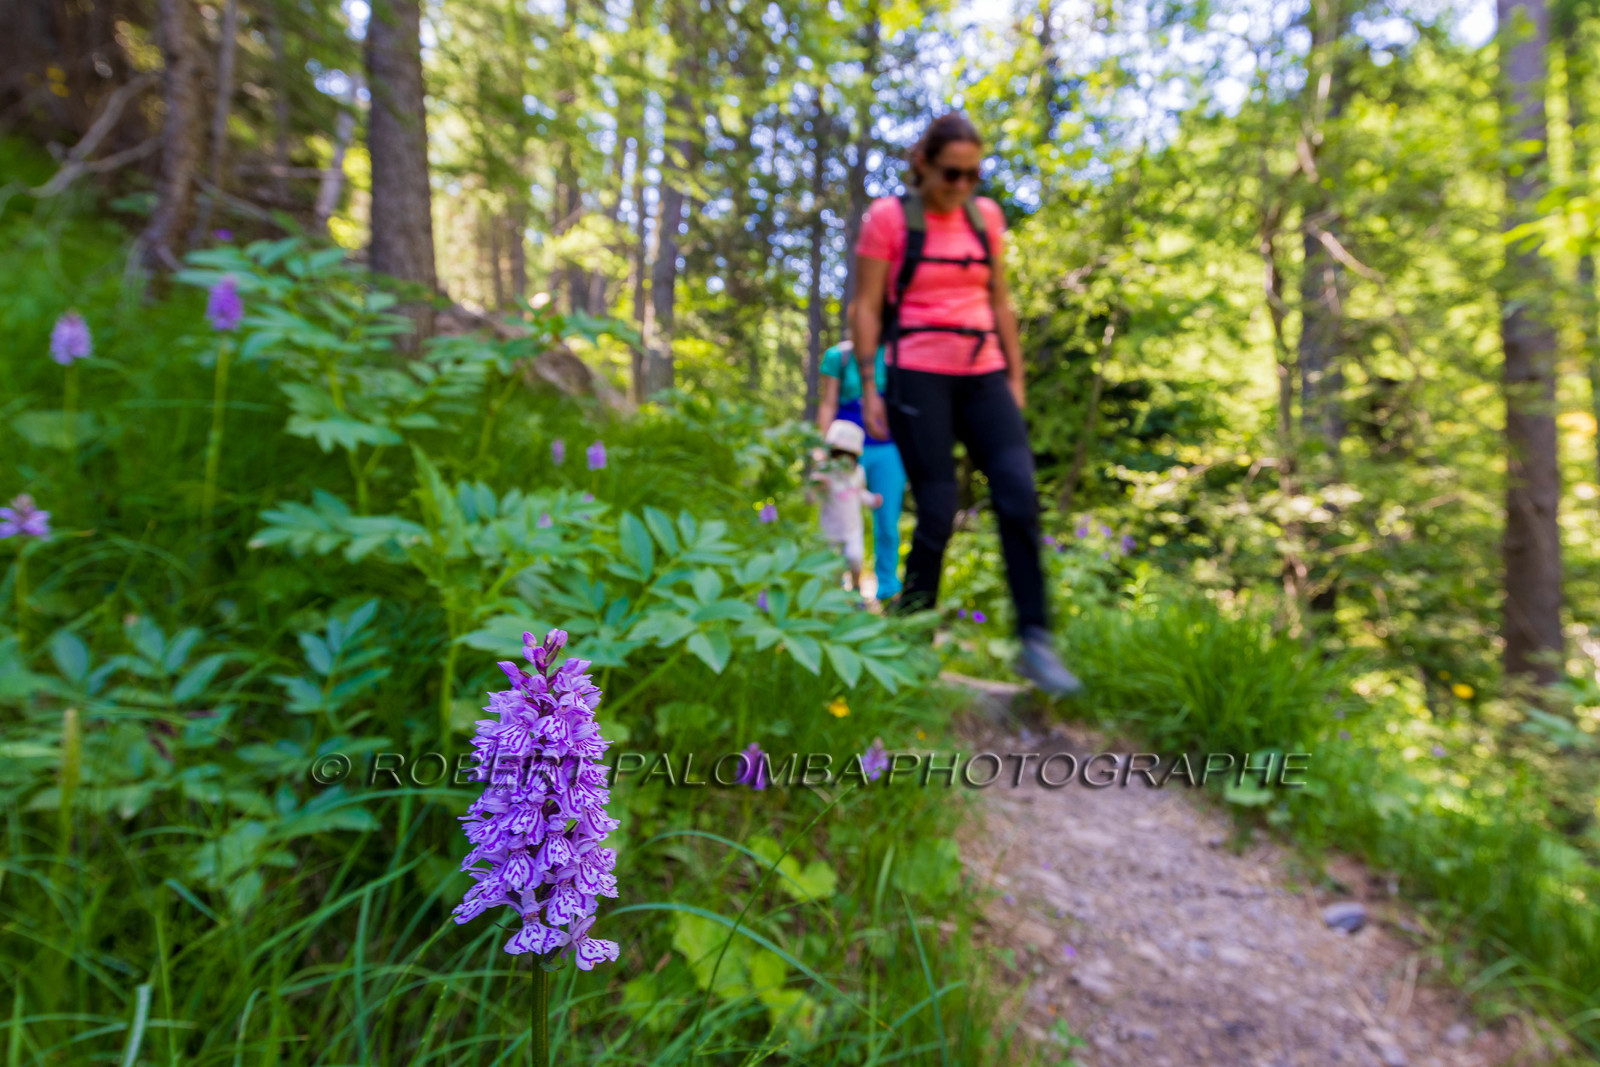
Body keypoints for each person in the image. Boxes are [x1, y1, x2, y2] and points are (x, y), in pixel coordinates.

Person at [849, 111, 1082, 697]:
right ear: (923, 164)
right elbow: (866, 307)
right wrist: (870, 386)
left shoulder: (986, 218)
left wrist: (1015, 379)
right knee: (937, 509)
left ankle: (1035, 640)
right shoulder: (888, 219)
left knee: (1018, 494)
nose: (961, 186)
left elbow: (1000, 300)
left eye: (973, 175)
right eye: (951, 173)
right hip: (916, 375)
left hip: (984, 374)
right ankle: (909, 643)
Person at [816, 306, 907, 603]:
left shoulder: (895, 354)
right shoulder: (839, 357)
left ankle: (888, 588)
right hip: (844, 451)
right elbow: (828, 404)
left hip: (887, 447)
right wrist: (820, 448)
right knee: (836, 516)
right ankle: (833, 590)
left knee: (887, 520)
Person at [809, 419, 883, 593]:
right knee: (832, 565)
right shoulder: (824, 472)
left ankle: (856, 588)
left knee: (855, 558)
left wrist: (872, 500)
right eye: (839, 453)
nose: (843, 459)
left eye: (848, 454)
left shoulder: (857, 473)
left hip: (852, 529)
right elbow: (811, 499)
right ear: (831, 453)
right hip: (829, 530)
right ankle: (836, 594)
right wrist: (817, 484)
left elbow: (860, 493)